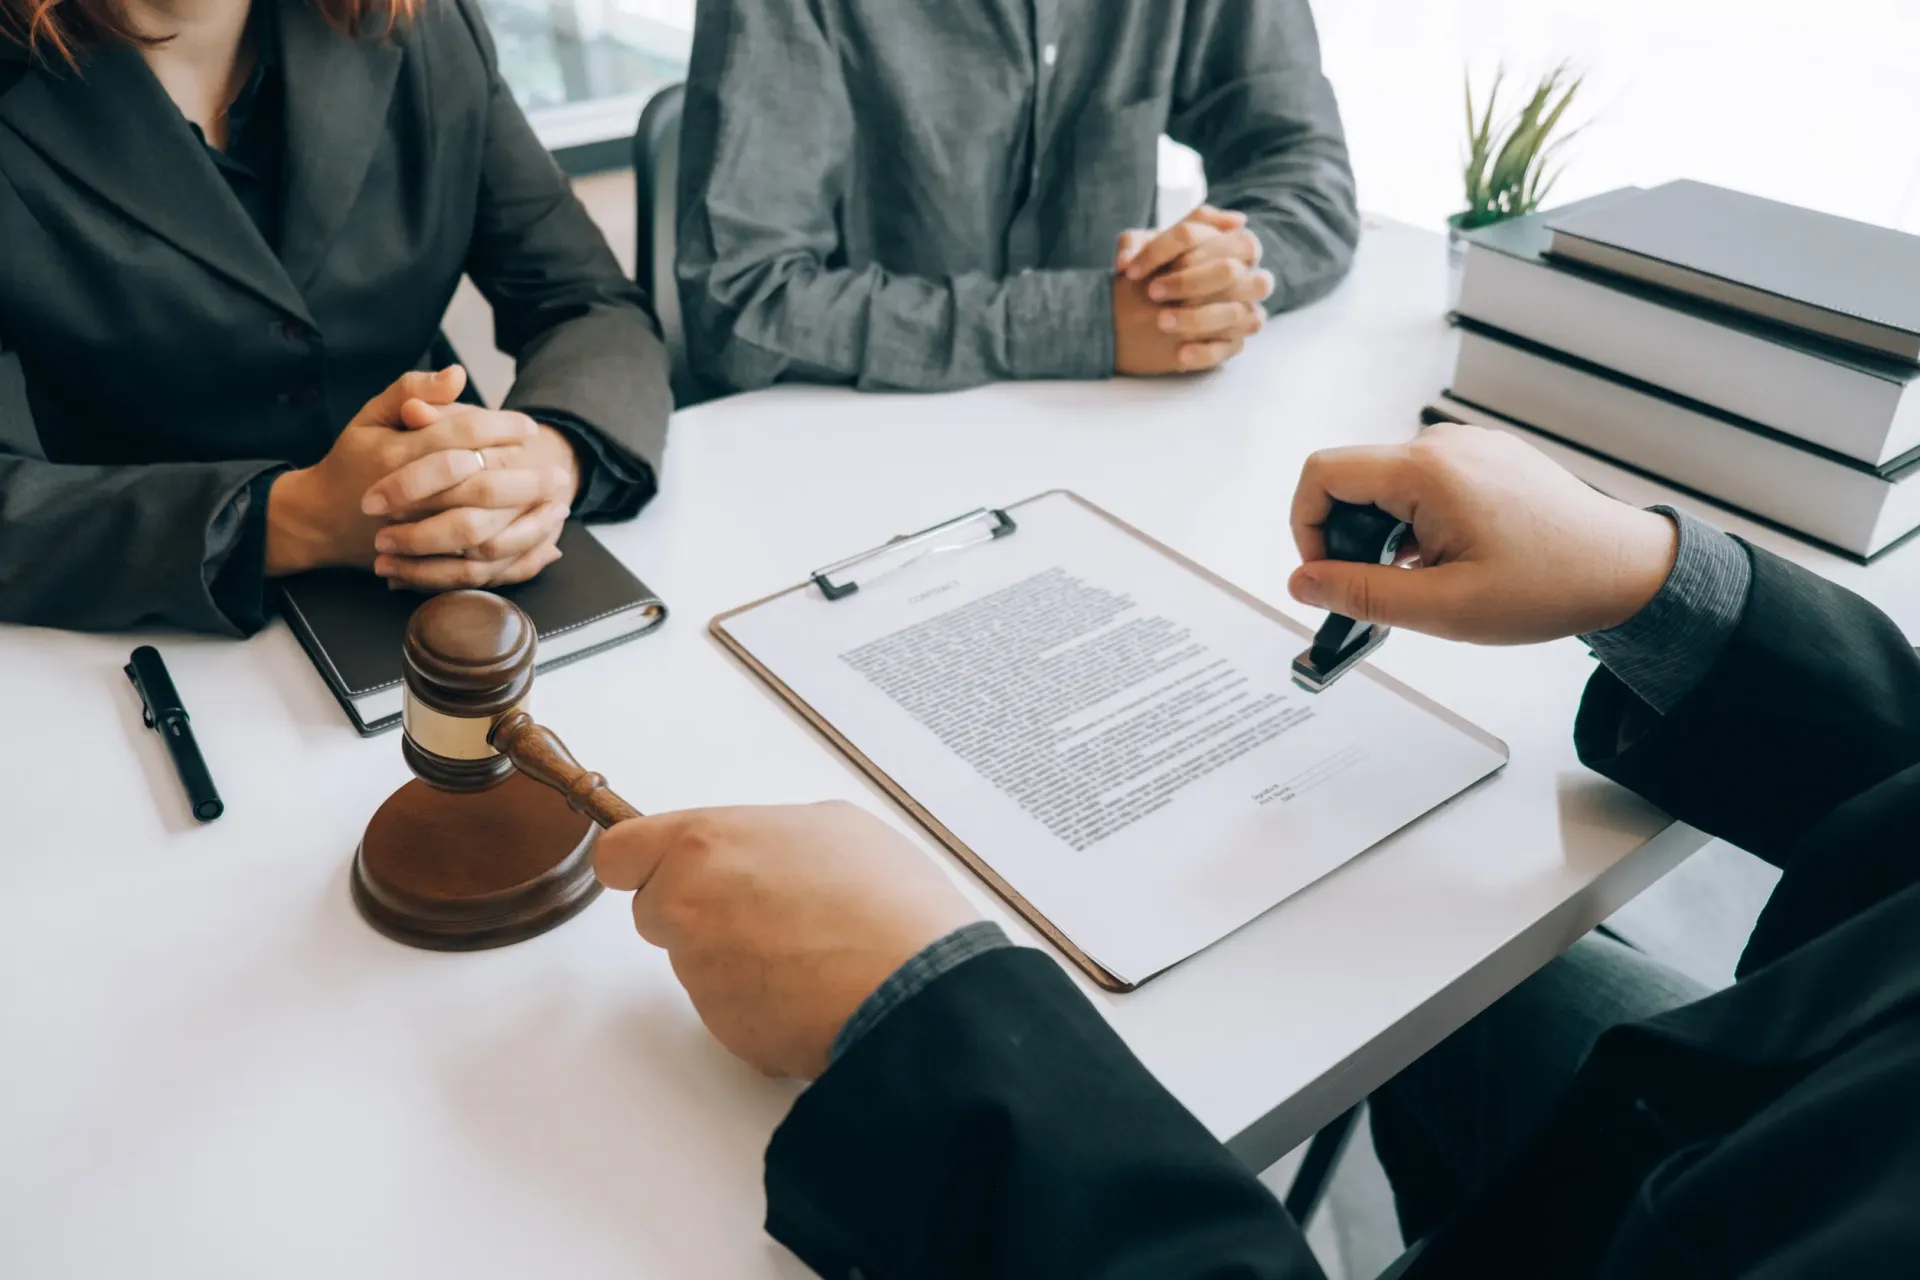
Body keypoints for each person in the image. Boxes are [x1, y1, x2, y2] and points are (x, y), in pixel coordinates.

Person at [592, 424, 1920, 1276]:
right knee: (1439, 962)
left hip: (1766, 1186)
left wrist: (938, 1035)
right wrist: (1652, 579)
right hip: (1818, 1057)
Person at [0, 0, 670, 635]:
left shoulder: (417, 22)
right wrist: (292, 519)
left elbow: (589, 302)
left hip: (458, 587)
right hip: (142, 628)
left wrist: (551, 459)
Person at [676, 0, 1359, 395]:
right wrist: (1081, 325)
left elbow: (1303, 168)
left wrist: (1213, 277)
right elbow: (740, 299)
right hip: (870, 441)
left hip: (1123, 425)